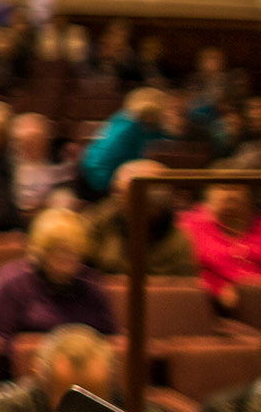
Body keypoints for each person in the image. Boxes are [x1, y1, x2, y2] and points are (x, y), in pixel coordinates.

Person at [0, 209, 117, 358]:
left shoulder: (91, 285)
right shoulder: (14, 283)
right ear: (41, 251)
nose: (66, 258)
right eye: (57, 250)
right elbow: (3, 346)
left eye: (73, 251)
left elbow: (108, 340)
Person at [84, 159, 197, 277]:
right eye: (117, 192)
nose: (117, 198)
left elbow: (185, 287)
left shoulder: (178, 241)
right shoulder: (102, 219)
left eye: (123, 193)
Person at [178, 166, 261, 311]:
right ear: (208, 195)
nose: (229, 194)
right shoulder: (188, 227)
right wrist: (217, 290)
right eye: (222, 187)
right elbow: (181, 275)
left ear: (250, 196)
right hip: (209, 308)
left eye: (236, 188)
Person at [77, 87, 170, 199]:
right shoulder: (127, 129)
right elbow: (98, 164)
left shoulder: (135, 123)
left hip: (102, 177)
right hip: (97, 181)